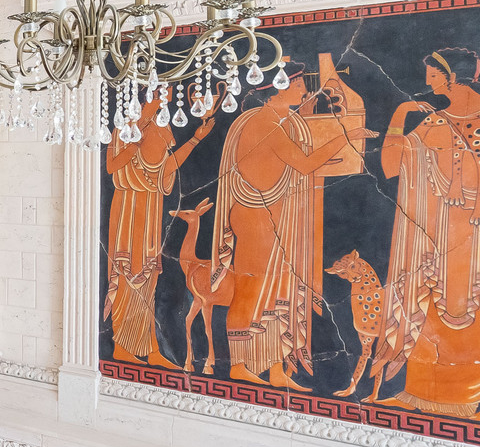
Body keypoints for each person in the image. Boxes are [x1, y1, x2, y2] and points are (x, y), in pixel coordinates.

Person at [210, 63, 373, 387]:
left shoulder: (278, 122)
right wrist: (345, 136)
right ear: (277, 90)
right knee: (250, 291)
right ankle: (238, 365)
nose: (304, 90)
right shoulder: (264, 124)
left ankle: (275, 370)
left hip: (272, 218)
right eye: (297, 84)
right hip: (256, 217)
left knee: (278, 292)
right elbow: (305, 163)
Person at [372, 47, 480, 416]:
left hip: (472, 233)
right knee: (429, 301)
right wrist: (400, 114)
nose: (428, 82)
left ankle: (467, 397)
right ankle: (422, 393)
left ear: (453, 77)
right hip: (439, 233)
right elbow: (391, 164)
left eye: (433, 75)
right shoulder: (435, 122)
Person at [103, 93, 213, 366]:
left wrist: (196, 139)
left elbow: (166, 169)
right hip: (128, 206)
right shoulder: (125, 126)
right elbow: (112, 167)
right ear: (147, 95)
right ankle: (121, 348)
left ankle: (151, 348)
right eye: (161, 92)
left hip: (151, 206)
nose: (167, 97)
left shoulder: (162, 126)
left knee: (149, 278)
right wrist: (135, 141)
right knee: (128, 273)